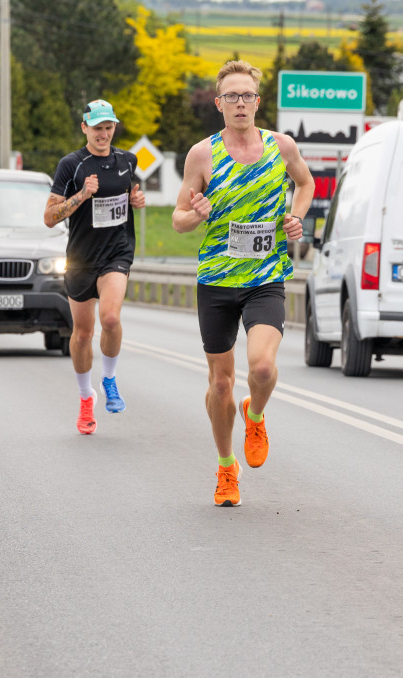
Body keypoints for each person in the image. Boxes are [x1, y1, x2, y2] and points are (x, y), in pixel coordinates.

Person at [172, 61, 314, 507]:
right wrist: (193, 215)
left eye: (246, 96)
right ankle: (226, 468)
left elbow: (305, 184)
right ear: (219, 104)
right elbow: (178, 219)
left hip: (265, 277)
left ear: (257, 102)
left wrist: (296, 217)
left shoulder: (281, 146)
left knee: (263, 369)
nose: (239, 103)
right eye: (230, 96)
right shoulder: (203, 155)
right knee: (219, 385)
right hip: (216, 280)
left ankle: (255, 415)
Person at [44, 99, 146, 435]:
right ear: (85, 127)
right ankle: (86, 397)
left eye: (109, 127)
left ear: (114, 128)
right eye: (98, 127)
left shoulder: (127, 161)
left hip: (116, 253)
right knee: (83, 333)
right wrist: (81, 196)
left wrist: (136, 199)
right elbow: (49, 217)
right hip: (80, 260)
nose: (104, 134)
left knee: (112, 318)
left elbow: (130, 193)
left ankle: (110, 378)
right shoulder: (71, 165)